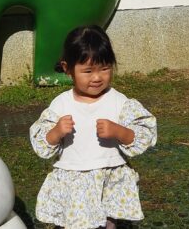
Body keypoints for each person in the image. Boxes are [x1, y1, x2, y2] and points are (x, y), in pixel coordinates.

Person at [30, 25, 157, 229]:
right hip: (75, 179)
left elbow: (144, 134)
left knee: (109, 223)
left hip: (110, 176)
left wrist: (119, 131)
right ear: (67, 68)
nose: (97, 77)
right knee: (76, 224)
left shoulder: (119, 102)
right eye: (88, 71)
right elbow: (41, 142)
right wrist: (55, 132)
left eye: (104, 68)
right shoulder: (61, 105)